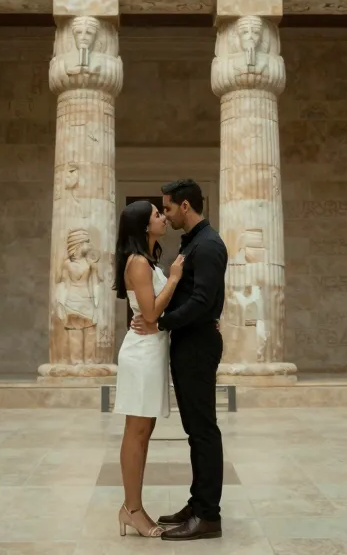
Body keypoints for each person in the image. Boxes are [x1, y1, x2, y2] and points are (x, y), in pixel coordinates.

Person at [130, 179, 227, 541]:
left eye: (168, 208)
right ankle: (197, 503)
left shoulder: (209, 244)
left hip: (198, 344)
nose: (166, 215)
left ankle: (208, 515)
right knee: (194, 430)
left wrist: (160, 323)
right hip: (188, 342)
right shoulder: (194, 241)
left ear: (185, 206)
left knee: (203, 430)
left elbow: (202, 301)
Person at [114, 199, 185, 538]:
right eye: (157, 214)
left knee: (145, 431)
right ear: (144, 225)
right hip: (141, 354)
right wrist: (174, 279)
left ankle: (133, 506)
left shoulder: (148, 261)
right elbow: (151, 313)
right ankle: (131, 510)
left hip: (152, 352)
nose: (163, 218)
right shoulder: (139, 262)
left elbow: (153, 315)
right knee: (137, 432)